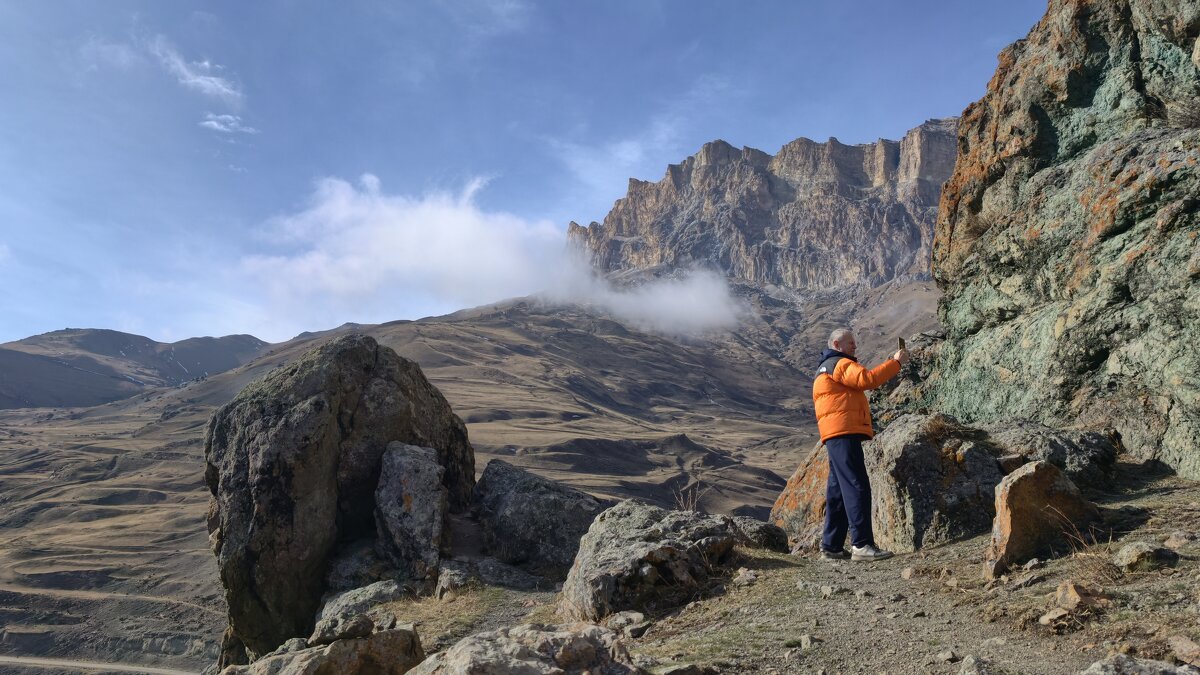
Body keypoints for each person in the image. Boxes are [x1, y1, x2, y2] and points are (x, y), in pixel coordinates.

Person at [812, 328, 907, 562]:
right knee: (857, 485)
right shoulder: (840, 364)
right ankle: (862, 545)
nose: (855, 346)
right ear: (837, 343)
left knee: (837, 491)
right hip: (844, 431)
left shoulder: (826, 367)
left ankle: (831, 546)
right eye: (850, 343)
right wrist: (896, 363)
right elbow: (868, 379)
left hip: (835, 433)